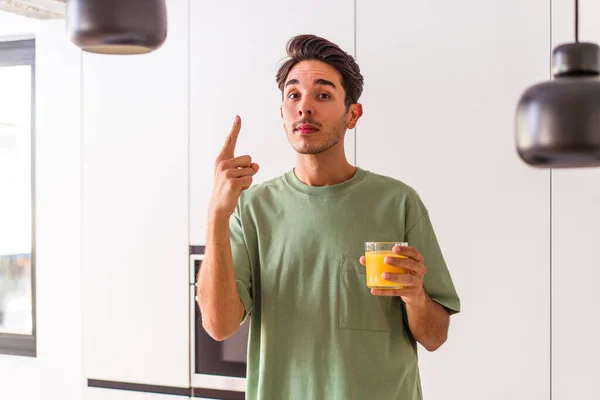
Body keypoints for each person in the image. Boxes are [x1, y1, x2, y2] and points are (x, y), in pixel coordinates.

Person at [197, 34, 461, 400]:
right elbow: (219, 326)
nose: (305, 107)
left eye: (323, 95)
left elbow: (435, 336)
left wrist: (415, 297)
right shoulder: (252, 208)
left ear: (352, 114)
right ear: (282, 114)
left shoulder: (398, 203)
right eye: (294, 95)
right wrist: (216, 215)